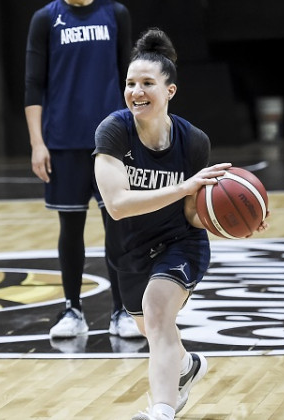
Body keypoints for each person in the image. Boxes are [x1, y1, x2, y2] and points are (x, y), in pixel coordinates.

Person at [93, 28, 269, 419]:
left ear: (169, 91)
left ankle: (161, 410)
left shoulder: (193, 142)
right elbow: (118, 205)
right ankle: (187, 368)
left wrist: (238, 221)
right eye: (130, 83)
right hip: (129, 247)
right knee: (154, 332)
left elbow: (192, 212)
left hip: (179, 242)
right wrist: (184, 185)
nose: (136, 91)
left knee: (157, 315)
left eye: (147, 84)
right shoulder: (114, 131)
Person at [24, 0, 141, 339]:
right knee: (70, 228)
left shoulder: (116, 13)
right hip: (63, 143)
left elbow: (127, 78)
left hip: (112, 142)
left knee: (118, 227)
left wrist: (136, 133)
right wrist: (37, 142)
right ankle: (72, 309)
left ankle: (122, 311)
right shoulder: (46, 19)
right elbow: (34, 84)